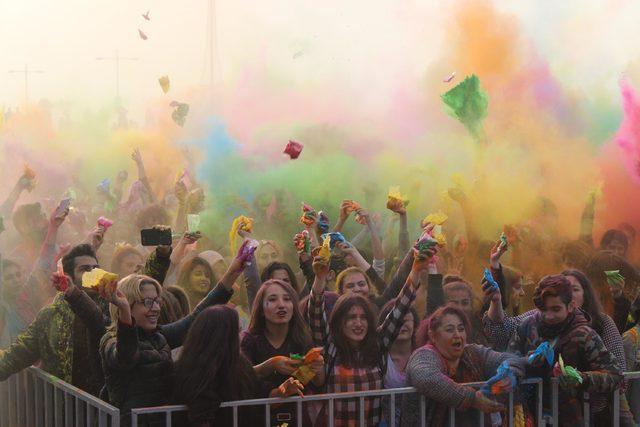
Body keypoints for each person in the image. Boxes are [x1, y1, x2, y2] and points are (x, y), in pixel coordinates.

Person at [99, 241, 252, 426]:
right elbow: (126, 357)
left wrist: (233, 271)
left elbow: (195, 317)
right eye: (147, 302)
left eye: (157, 301)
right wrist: (124, 311)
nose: (155, 308)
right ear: (126, 303)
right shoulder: (111, 340)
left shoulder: (159, 337)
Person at [307, 241, 432, 426]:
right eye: (351, 318)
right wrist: (319, 278)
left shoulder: (377, 344)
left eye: (363, 318)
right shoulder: (331, 347)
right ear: (340, 321)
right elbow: (316, 312)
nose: (358, 323)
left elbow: (400, 308)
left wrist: (416, 269)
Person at [507, 275, 622, 425]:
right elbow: (507, 360)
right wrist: (525, 362)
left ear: (570, 305)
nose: (548, 316)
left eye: (556, 309)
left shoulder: (584, 335)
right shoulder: (527, 326)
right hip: (528, 416)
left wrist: (581, 379)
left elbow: (615, 375)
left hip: (571, 418)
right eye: (543, 309)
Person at [0, 243, 109, 396]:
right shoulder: (50, 316)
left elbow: (100, 325)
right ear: (68, 277)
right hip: (62, 411)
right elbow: (17, 355)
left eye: (96, 268)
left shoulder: (113, 309)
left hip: (105, 411)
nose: (94, 273)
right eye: (85, 269)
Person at [175, 305, 304, 426]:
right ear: (222, 337)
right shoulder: (192, 375)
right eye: (237, 331)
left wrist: (282, 391)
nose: (240, 337)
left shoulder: (240, 363)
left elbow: (259, 392)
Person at [401, 305, 526, 426]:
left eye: (461, 329)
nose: (457, 335)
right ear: (433, 336)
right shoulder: (424, 355)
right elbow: (427, 378)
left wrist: (509, 374)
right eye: (449, 330)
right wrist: (473, 399)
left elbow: (510, 359)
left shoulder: (473, 353)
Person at [241, 279, 324, 426]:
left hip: (297, 419)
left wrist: (316, 367)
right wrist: (271, 365)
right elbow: (240, 378)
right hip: (259, 420)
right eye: (272, 300)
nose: (281, 305)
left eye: (287, 299)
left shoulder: (302, 338)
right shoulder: (250, 340)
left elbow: (318, 383)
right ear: (260, 309)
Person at [378, 300, 419, 426]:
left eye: (406, 321)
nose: (402, 325)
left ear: (415, 324)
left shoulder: (423, 353)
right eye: (397, 321)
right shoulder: (379, 357)